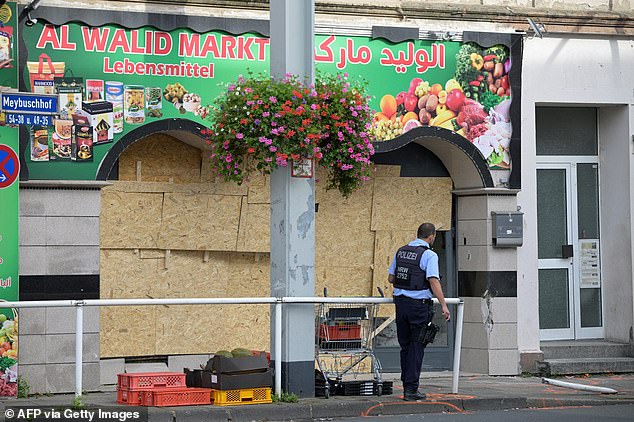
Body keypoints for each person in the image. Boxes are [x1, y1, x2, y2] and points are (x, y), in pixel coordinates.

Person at [388, 222, 451, 401]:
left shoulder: (401, 251)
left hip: (401, 304)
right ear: (431, 237)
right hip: (418, 305)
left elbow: (391, 277)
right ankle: (411, 389)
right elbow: (433, 280)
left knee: (406, 346)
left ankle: (407, 385)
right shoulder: (429, 255)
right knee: (417, 346)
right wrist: (444, 305)